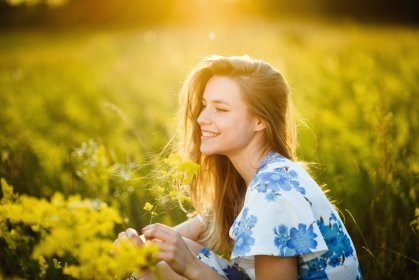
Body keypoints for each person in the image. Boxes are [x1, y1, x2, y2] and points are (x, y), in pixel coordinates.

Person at [115, 55, 362, 279]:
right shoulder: (259, 177)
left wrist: (190, 266)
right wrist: (137, 245)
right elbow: (171, 239)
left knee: (155, 272)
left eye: (220, 109)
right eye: (204, 105)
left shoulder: (272, 193)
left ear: (260, 121)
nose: (201, 118)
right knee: (156, 263)